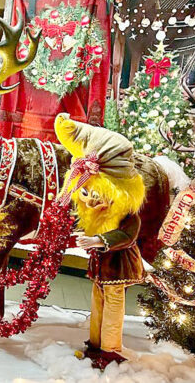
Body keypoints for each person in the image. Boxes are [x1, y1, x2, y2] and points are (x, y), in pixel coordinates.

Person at [54, 113, 146, 370]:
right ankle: (96, 343)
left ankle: (110, 349)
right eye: (86, 193)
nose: (92, 201)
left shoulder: (127, 213)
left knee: (114, 306)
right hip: (101, 268)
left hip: (118, 266)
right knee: (97, 303)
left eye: (98, 195)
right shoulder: (94, 212)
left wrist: (98, 240)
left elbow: (127, 236)